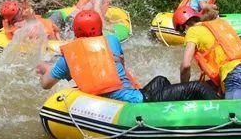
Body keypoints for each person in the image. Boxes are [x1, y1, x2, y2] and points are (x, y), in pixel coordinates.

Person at [37, 10, 217, 102]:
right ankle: (224, 109)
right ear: (99, 27)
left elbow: (46, 84)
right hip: (135, 101)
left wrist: (46, 69)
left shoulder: (69, 56)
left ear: (76, 31)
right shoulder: (112, 40)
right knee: (197, 87)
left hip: (133, 98)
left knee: (161, 80)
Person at [174, 6, 241, 100]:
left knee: (234, 111)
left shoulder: (193, 31)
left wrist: (184, 89)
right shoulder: (220, 24)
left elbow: (186, 65)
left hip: (236, 79)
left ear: (184, 26)